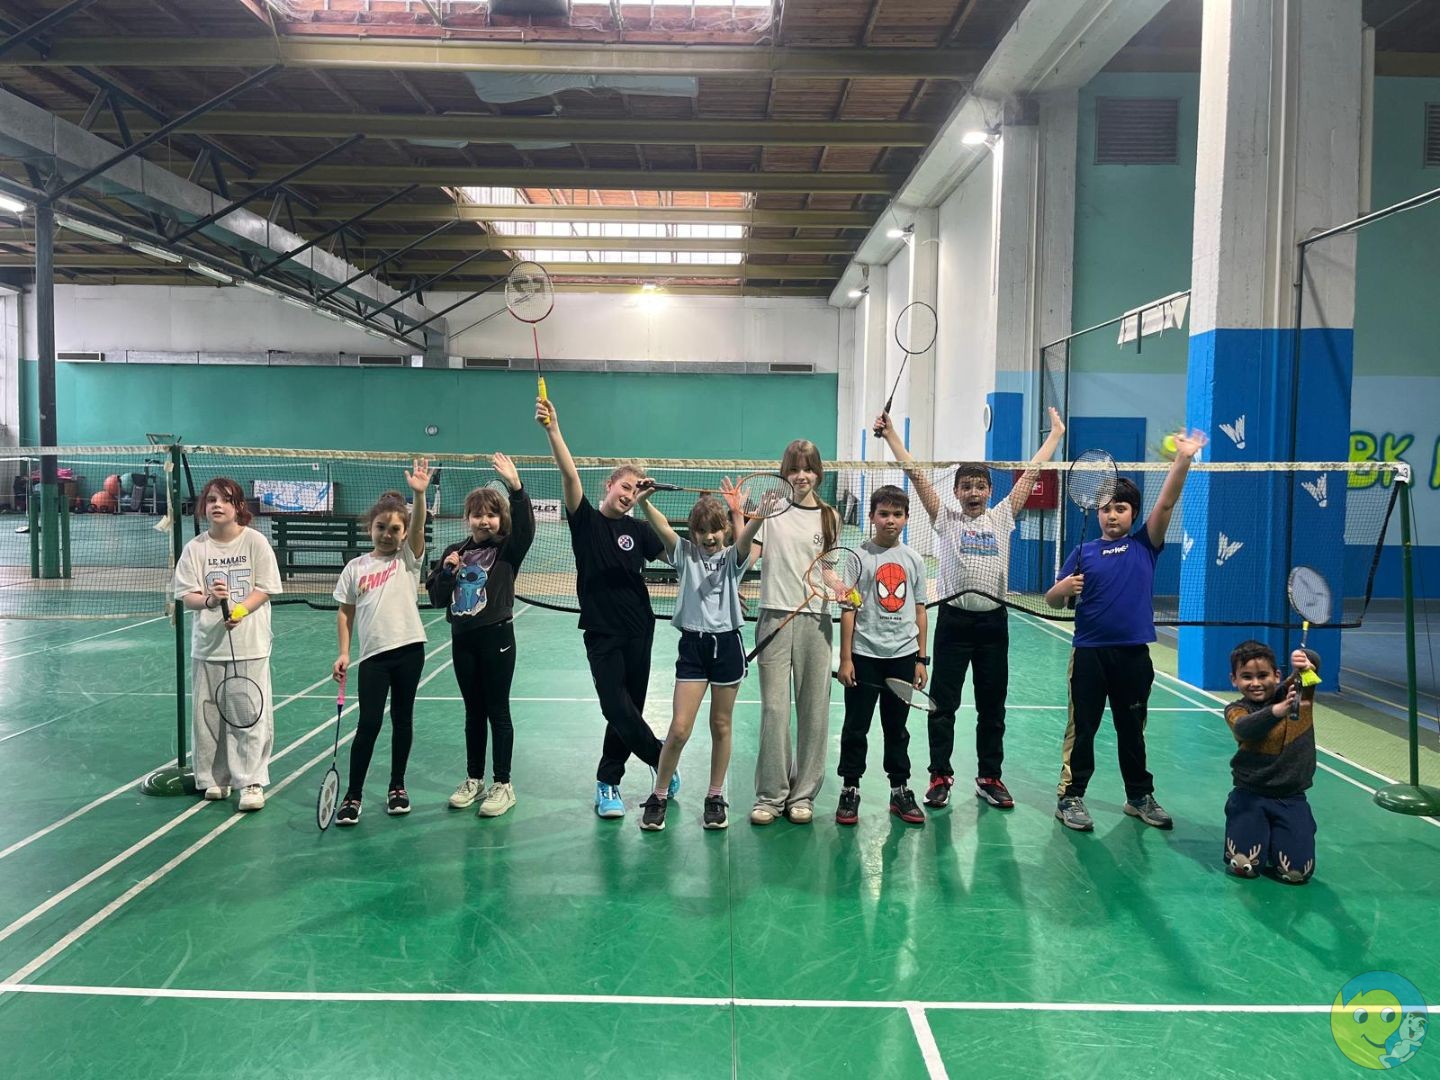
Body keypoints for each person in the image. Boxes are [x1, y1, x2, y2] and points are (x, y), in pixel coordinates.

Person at [877, 406, 1066, 811]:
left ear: (990, 491)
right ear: (956, 492)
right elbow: (916, 475)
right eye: (966, 487)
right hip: (954, 624)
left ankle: (989, 777)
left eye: (980, 486)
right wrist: (891, 434)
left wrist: (1055, 435)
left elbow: (1031, 473)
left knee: (992, 708)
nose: (974, 493)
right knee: (942, 706)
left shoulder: (1003, 518)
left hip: (994, 626)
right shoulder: (945, 518)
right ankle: (940, 775)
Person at [1044, 428, 1208, 832]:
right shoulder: (1082, 553)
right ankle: (1070, 797)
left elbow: (1167, 502)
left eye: (1120, 508)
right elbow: (1052, 600)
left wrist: (1183, 458)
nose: (1112, 515)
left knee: (1132, 730)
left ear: (1133, 513)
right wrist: (1064, 588)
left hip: (1133, 655)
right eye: (1105, 509)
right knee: (1083, 729)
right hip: (1089, 654)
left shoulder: (1144, 546)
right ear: (1096, 513)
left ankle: (1138, 796)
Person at [537, 396, 673, 818]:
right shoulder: (586, 522)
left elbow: (674, 554)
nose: (629, 495)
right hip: (601, 631)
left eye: (636, 489)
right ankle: (661, 758)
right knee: (614, 706)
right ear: (610, 485)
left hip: (640, 628)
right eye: (626, 487)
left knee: (630, 709)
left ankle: (608, 782)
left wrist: (649, 504)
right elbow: (569, 474)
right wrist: (553, 430)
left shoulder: (638, 528)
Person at [636, 481, 765, 831]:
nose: (709, 537)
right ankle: (659, 794)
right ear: (693, 533)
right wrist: (644, 503)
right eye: (702, 531)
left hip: (727, 647)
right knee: (679, 729)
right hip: (693, 647)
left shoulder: (732, 559)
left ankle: (715, 796)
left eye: (715, 530)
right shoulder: (685, 555)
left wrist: (754, 515)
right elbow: (663, 528)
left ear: (725, 530)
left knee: (721, 725)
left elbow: (746, 539)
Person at [426, 454, 535, 819]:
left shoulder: (507, 550)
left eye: (491, 515)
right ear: (467, 518)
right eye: (477, 515)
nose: (484, 521)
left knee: (497, 710)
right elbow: (436, 598)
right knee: (473, 712)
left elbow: (526, 526)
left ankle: (503, 784)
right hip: (463, 641)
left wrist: (516, 488)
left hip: (497, 638)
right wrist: (447, 572)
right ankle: (474, 779)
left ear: (501, 519)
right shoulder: (453, 553)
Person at [330, 461, 431, 825]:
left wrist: (419, 495)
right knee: (369, 724)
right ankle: (353, 794)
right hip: (373, 658)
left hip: (409, 651)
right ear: (370, 528)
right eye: (381, 528)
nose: (387, 535)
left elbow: (418, 525)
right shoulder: (356, 568)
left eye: (395, 529)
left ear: (404, 534)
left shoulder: (408, 559)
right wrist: (344, 652)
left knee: (403, 721)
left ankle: (397, 787)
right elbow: (345, 613)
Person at [173, 477, 281, 812]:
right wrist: (208, 601)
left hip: (249, 644)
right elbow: (186, 595)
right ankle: (213, 778)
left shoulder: (255, 542)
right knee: (208, 717)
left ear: (239, 507)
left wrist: (240, 610)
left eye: (226, 500)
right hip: (208, 647)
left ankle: (251, 781)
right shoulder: (195, 549)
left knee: (247, 715)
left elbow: (265, 587)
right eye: (211, 500)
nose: (217, 505)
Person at [750, 439, 842, 826]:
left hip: (815, 621)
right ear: (784, 473)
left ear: (818, 473)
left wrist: (841, 589)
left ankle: (802, 795)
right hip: (773, 616)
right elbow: (746, 558)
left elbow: (827, 569)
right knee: (774, 710)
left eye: (808, 468)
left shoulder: (829, 516)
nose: (801, 476)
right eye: (794, 469)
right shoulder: (771, 511)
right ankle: (771, 796)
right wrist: (747, 518)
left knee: (813, 711)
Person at [834, 485, 929, 825]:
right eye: (884, 514)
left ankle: (899, 789)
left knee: (897, 728)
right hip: (864, 655)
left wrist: (921, 659)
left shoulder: (914, 560)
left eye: (897, 514)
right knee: (855, 726)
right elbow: (848, 609)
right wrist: (846, 659)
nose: (891, 520)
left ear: (906, 518)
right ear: (872, 516)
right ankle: (850, 788)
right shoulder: (858, 557)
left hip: (902, 656)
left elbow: (920, 611)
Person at [1222, 639, 1320, 884]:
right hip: (1250, 795)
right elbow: (1244, 728)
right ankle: (1251, 828)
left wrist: (1305, 659)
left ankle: (1280, 837)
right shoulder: (1236, 710)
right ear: (1234, 680)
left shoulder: (1296, 692)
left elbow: (1310, 667)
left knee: (1296, 873)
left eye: (1263, 675)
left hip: (1291, 797)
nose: (1255, 683)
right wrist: (1278, 710)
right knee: (1244, 866)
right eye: (1246, 677)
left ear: (1277, 675)